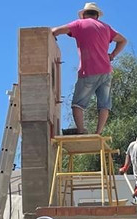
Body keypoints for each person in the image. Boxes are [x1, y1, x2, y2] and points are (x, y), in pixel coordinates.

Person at [52, 3, 127, 135]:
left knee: (77, 104)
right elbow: (123, 40)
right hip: (106, 71)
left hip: (89, 71)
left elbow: (55, 31)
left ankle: (81, 131)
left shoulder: (79, 24)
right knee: (104, 105)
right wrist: (112, 55)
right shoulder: (106, 27)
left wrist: (51, 34)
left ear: (84, 15)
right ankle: (98, 133)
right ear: (97, 16)